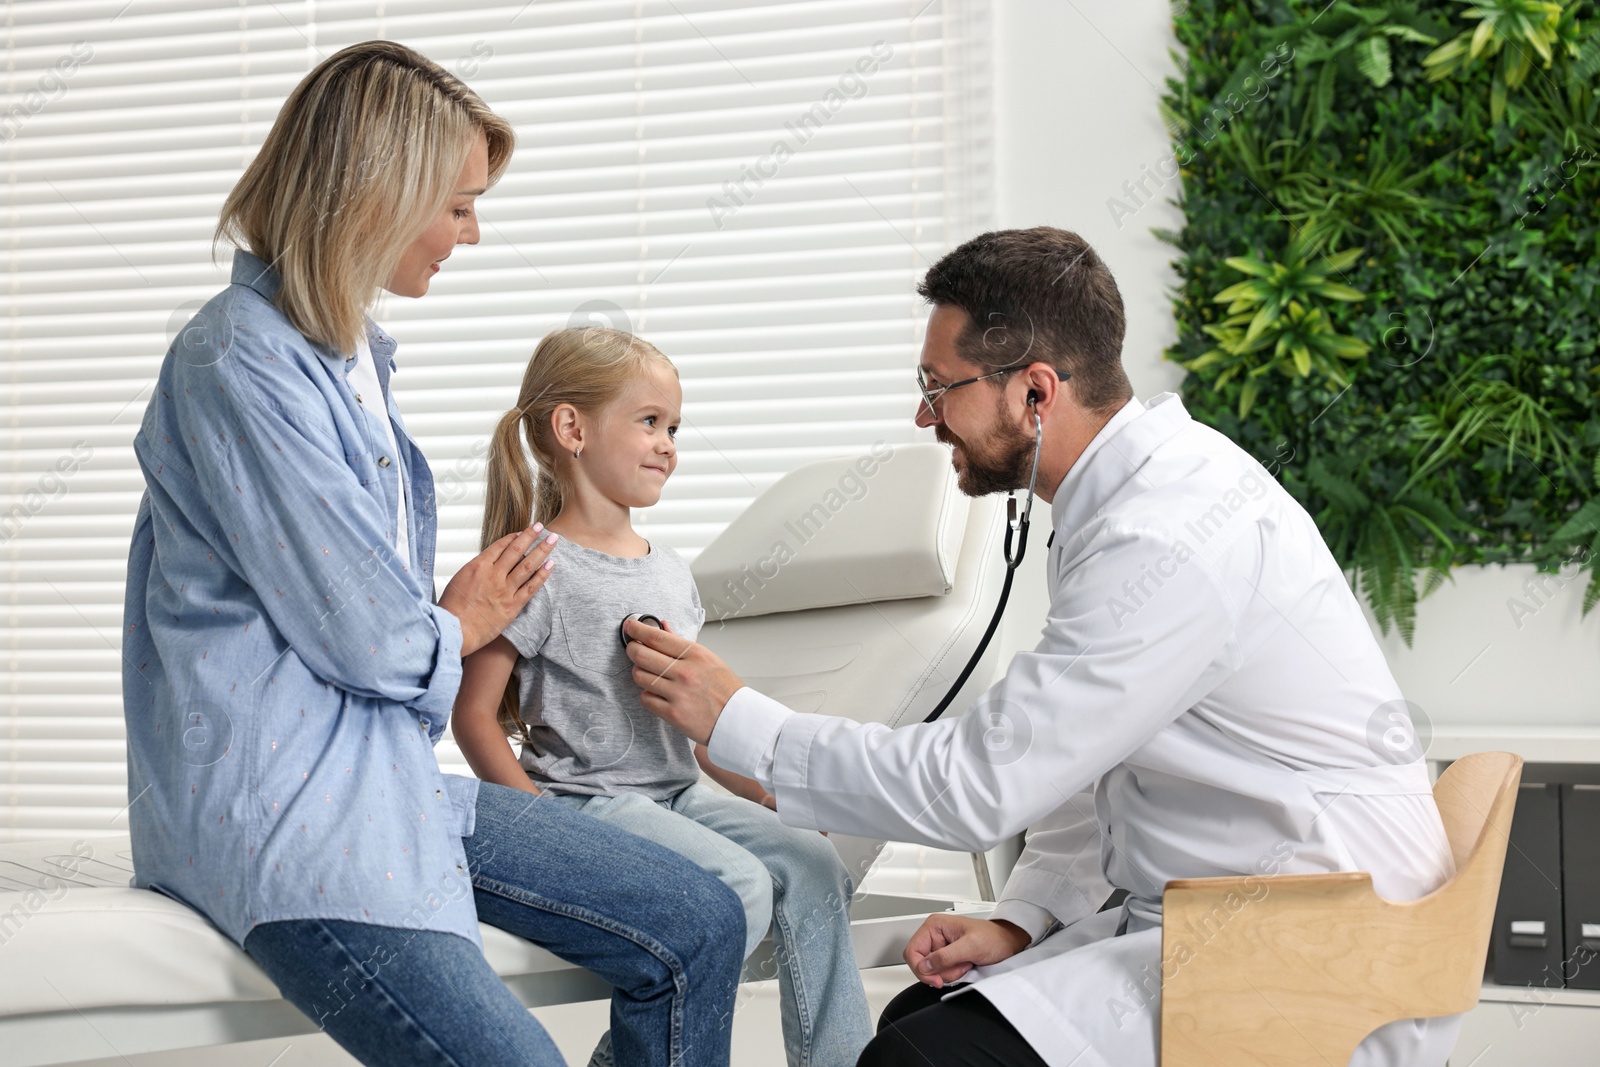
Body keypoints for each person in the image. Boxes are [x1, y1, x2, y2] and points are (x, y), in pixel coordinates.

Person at [617, 227, 1465, 1067]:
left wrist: (743, 722)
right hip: (1228, 911)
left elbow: (979, 784)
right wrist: (1022, 915)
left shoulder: (1165, 536)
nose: (924, 415)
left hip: (1309, 940)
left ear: (1034, 392)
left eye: (936, 385)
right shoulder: (1125, 501)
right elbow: (1084, 757)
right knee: (922, 1009)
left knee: (915, 1058)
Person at [121, 41, 743, 1067]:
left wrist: (440, 629)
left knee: (700, 922)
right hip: (294, 821)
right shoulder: (236, 358)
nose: (472, 231)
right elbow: (371, 640)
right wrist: (459, 619)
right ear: (372, 191)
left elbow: (381, 638)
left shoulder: (350, 352)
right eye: (456, 203)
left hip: (394, 785)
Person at [451, 325, 875, 1067]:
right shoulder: (531, 568)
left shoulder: (671, 572)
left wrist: (782, 800)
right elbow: (472, 716)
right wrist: (542, 829)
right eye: (649, 422)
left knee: (814, 867)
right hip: (590, 803)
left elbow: (702, 726)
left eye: (674, 427)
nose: (668, 443)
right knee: (736, 886)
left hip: (679, 792)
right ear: (572, 428)